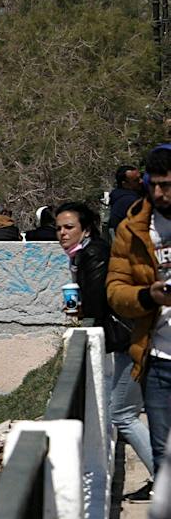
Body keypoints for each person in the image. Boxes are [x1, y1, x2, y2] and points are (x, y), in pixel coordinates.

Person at [57, 200, 154, 488]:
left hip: (130, 341)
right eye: (59, 228)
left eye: (69, 227)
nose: (62, 233)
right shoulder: (83, 256)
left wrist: (81, 309)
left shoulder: (94, 254)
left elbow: (99, 301)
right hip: (129, 338)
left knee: (122, 414)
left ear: (85, 229)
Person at [107, 148, 171, 465]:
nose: (159, 193)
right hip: (157, 361)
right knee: (162, 455)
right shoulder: (132, 229)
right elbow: (116, 291)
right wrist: (148, 296)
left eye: (167, 185)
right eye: (154, 184)